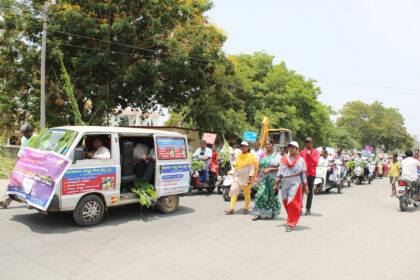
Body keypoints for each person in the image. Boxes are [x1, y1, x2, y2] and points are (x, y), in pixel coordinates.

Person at [274, 141, 309, 232]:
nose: (291, 149)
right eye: (290, 147)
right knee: (285, 201)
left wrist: (305, 185)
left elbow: (303, 174)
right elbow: (280, 172)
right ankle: (292, 217)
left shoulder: (300, 160)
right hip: (285, 181)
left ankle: (290, 223)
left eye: (293, 147)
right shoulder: (284, 159)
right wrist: (276, 183)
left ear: (297, 149)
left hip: (295, 181)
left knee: (292, 201)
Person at [0, 124, 37, 209]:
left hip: (32, 165)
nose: (23, 134)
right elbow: (21, 150)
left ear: (30, 132)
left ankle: (31, 202)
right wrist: (17, 161)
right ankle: (5, 200)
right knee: (15, 181)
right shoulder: (24, 138)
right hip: (23, 163)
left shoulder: (36, 139)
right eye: (23, 133)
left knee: (29, 183)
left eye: (25, 133)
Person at [224, 141, 257, 215]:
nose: (243, 148)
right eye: (242, 146)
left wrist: (250, 178)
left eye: (245, 146)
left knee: (246, 193)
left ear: (247, 148)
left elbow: (252, 168)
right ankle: (231, 208)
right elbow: (237, 165)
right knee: (233, 190)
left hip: (246, 177)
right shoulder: (239, 156)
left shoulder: (250, 156)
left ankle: (246, 208)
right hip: (237, 176)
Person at [252, 140, 281, 220]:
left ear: (273, 145)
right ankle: (257, 213)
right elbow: (258, 166)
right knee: (259, 195)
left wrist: (270, 169)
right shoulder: (262, 155)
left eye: (269, 144)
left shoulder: (277, 156)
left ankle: (269, 213)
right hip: (262, 179)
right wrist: (255, 176)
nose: (267, 146)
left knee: (270, 196)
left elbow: (280, 168)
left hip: (272, 179)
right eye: (266, 144)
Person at [299, 137, 319, 216]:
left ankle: (308, 209)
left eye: (309, 142)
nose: (307, 144)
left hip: (311, 174)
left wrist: (310, 155)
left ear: (312, 143)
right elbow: (299, 161)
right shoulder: (302, 152)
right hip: (303, 174)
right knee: (300, 191)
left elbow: (315, 163)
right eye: (306, 142)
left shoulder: (316, 152)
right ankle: (299, 208)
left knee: (309, 192)